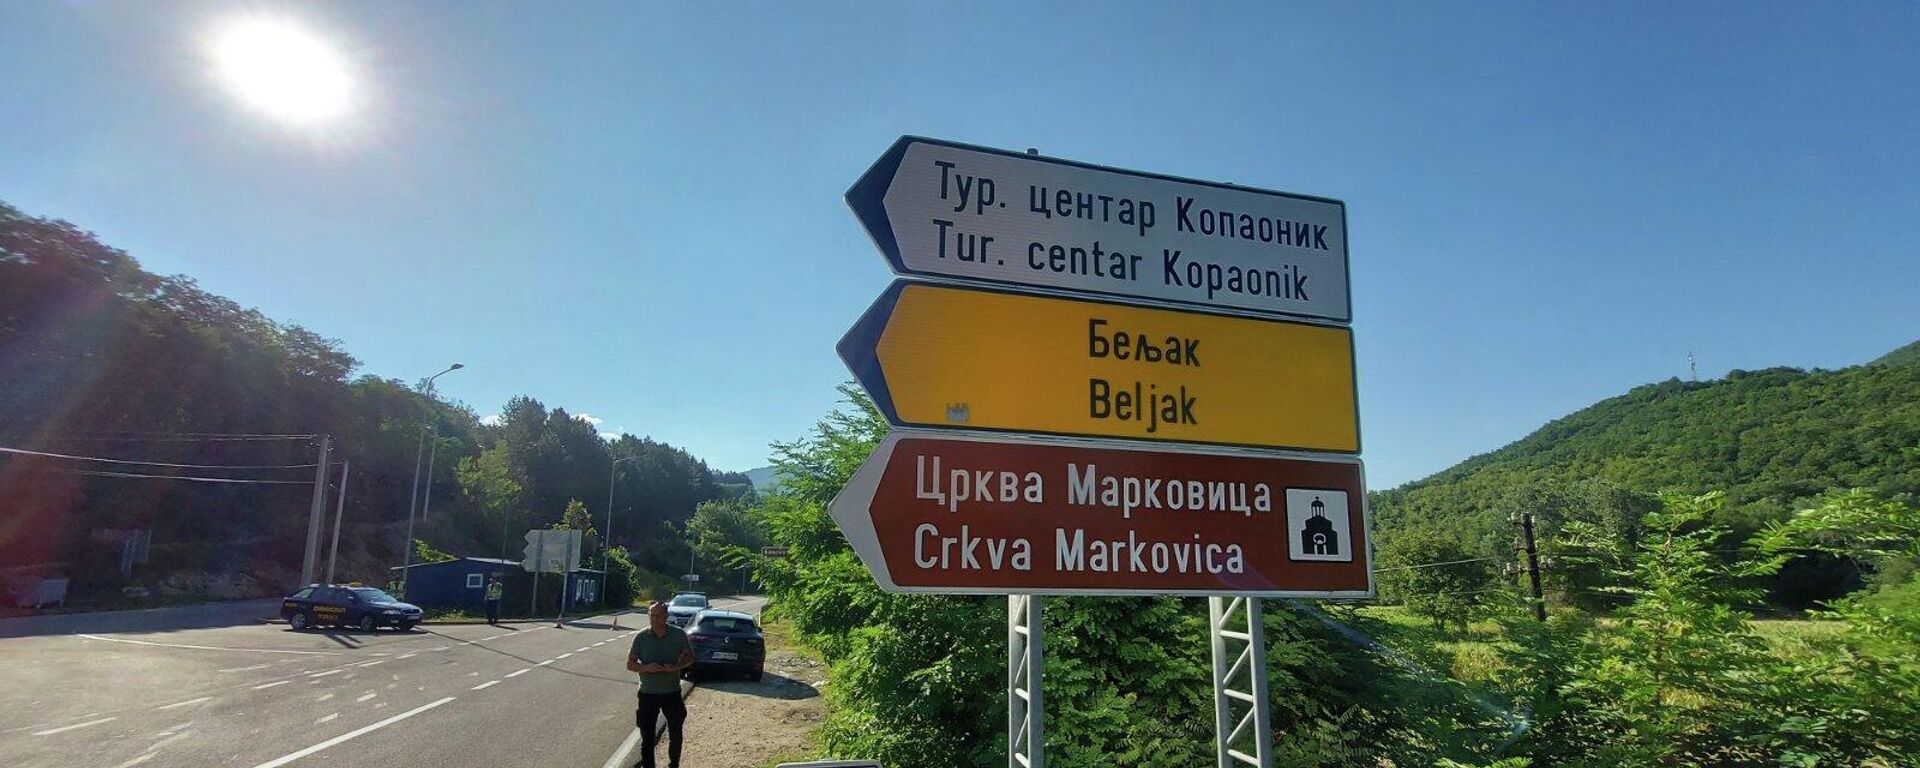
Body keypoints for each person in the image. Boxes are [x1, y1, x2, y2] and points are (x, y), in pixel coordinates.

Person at [627, 600, 694, 768]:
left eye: (658, 616)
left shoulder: (678, 635)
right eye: (652, 615)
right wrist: (646, 667)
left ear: (666, 617)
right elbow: (630, 663)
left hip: (671, 692)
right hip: (648, 693)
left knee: (675, 732)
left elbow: (689, 656)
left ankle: (674, 764)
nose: (655, 619)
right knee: (647, 736)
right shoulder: (641, 637)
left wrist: (675, 666)